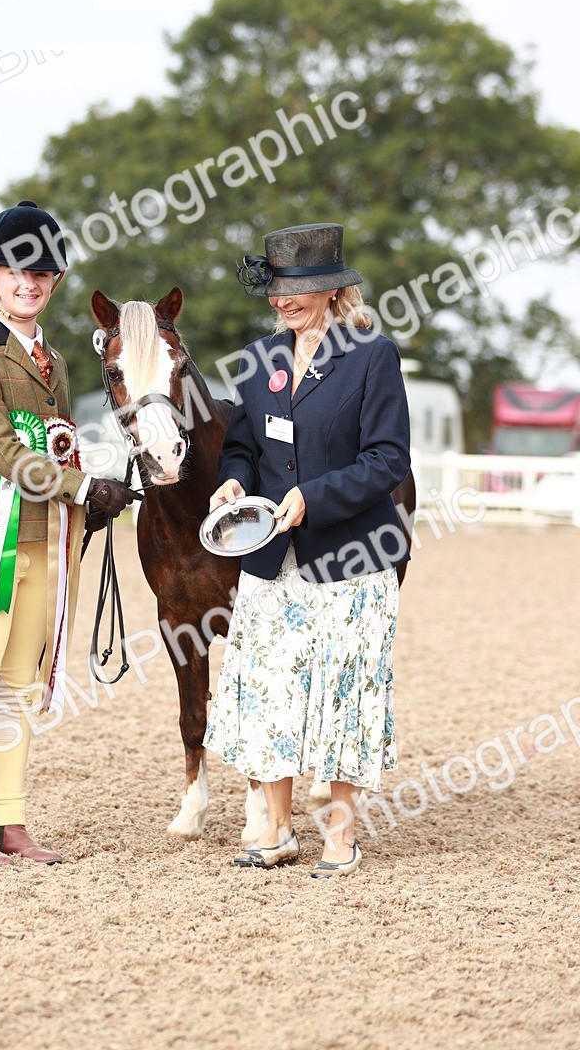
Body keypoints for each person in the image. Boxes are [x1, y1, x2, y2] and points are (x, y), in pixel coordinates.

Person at [0, 200, 138, 868]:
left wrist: (90, 499)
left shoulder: (55, 362)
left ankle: (10, 823)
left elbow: (58, 446)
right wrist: (80, 487)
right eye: (16, 271)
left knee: (20, 684)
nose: (30, 283)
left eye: (43, 273)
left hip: (44, 538)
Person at [204, 223, 411, 878]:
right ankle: (276, 828)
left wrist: (313, 498)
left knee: (342, 692)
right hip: (270, 558)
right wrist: (233, 478)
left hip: (350, 558)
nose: (282, 299)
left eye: (296, 287)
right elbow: (242, 446)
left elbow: (387, 461)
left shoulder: (372, 355)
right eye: (276, 287)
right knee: (268, 689)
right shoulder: (260, 358)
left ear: (330, 290)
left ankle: (342, 832)